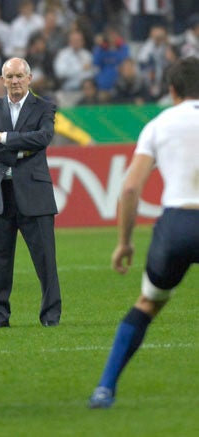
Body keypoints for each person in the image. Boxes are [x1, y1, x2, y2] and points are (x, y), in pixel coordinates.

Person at [88, 56, 199, 408]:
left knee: (148, 304)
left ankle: (105, 389)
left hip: (178, 224)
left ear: (171, 90)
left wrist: (124, 243)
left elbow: (130, 190)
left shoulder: (158, 125)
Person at [0, 57, 62, 328]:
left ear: (29, 78)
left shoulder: (45, 107)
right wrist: (21, 152)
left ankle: (50, 315)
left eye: (19, 76)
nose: (14, 81)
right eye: (9, 76)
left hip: (35, 193)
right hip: (0, 193)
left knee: (46, 260)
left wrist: (6, 139)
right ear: (2, 80)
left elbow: (44, 137)